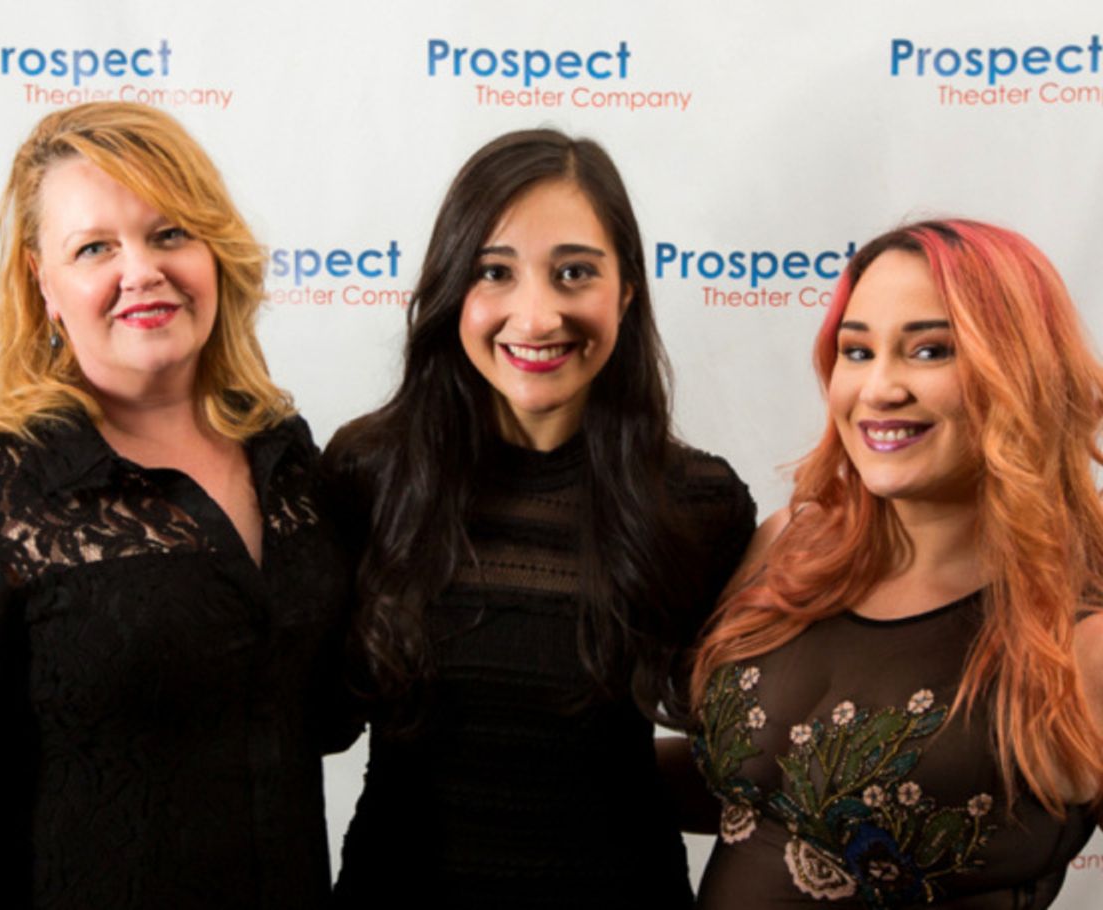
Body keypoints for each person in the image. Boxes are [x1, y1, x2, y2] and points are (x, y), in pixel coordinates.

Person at [0, 102, 351, 908]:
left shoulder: (289, 464)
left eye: (170, 233)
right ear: (44, 284)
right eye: (95, 248)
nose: (141, 269)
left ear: (216, 251)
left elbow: (325, 719)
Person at [323, 128, 755, 908]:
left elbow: (748, 751)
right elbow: (310, 716)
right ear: (454, 289)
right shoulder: (369, 474)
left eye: (574, 273)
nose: (537, 314)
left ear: (625, 290)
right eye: (495, 272)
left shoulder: (700, 504)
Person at [690, 219, 1103, 908]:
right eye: (857, 351)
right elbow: (762, 786)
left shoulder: (1082, 637)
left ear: (1023, 366)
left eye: (931, 350)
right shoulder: (793, 542)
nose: (879, 388)